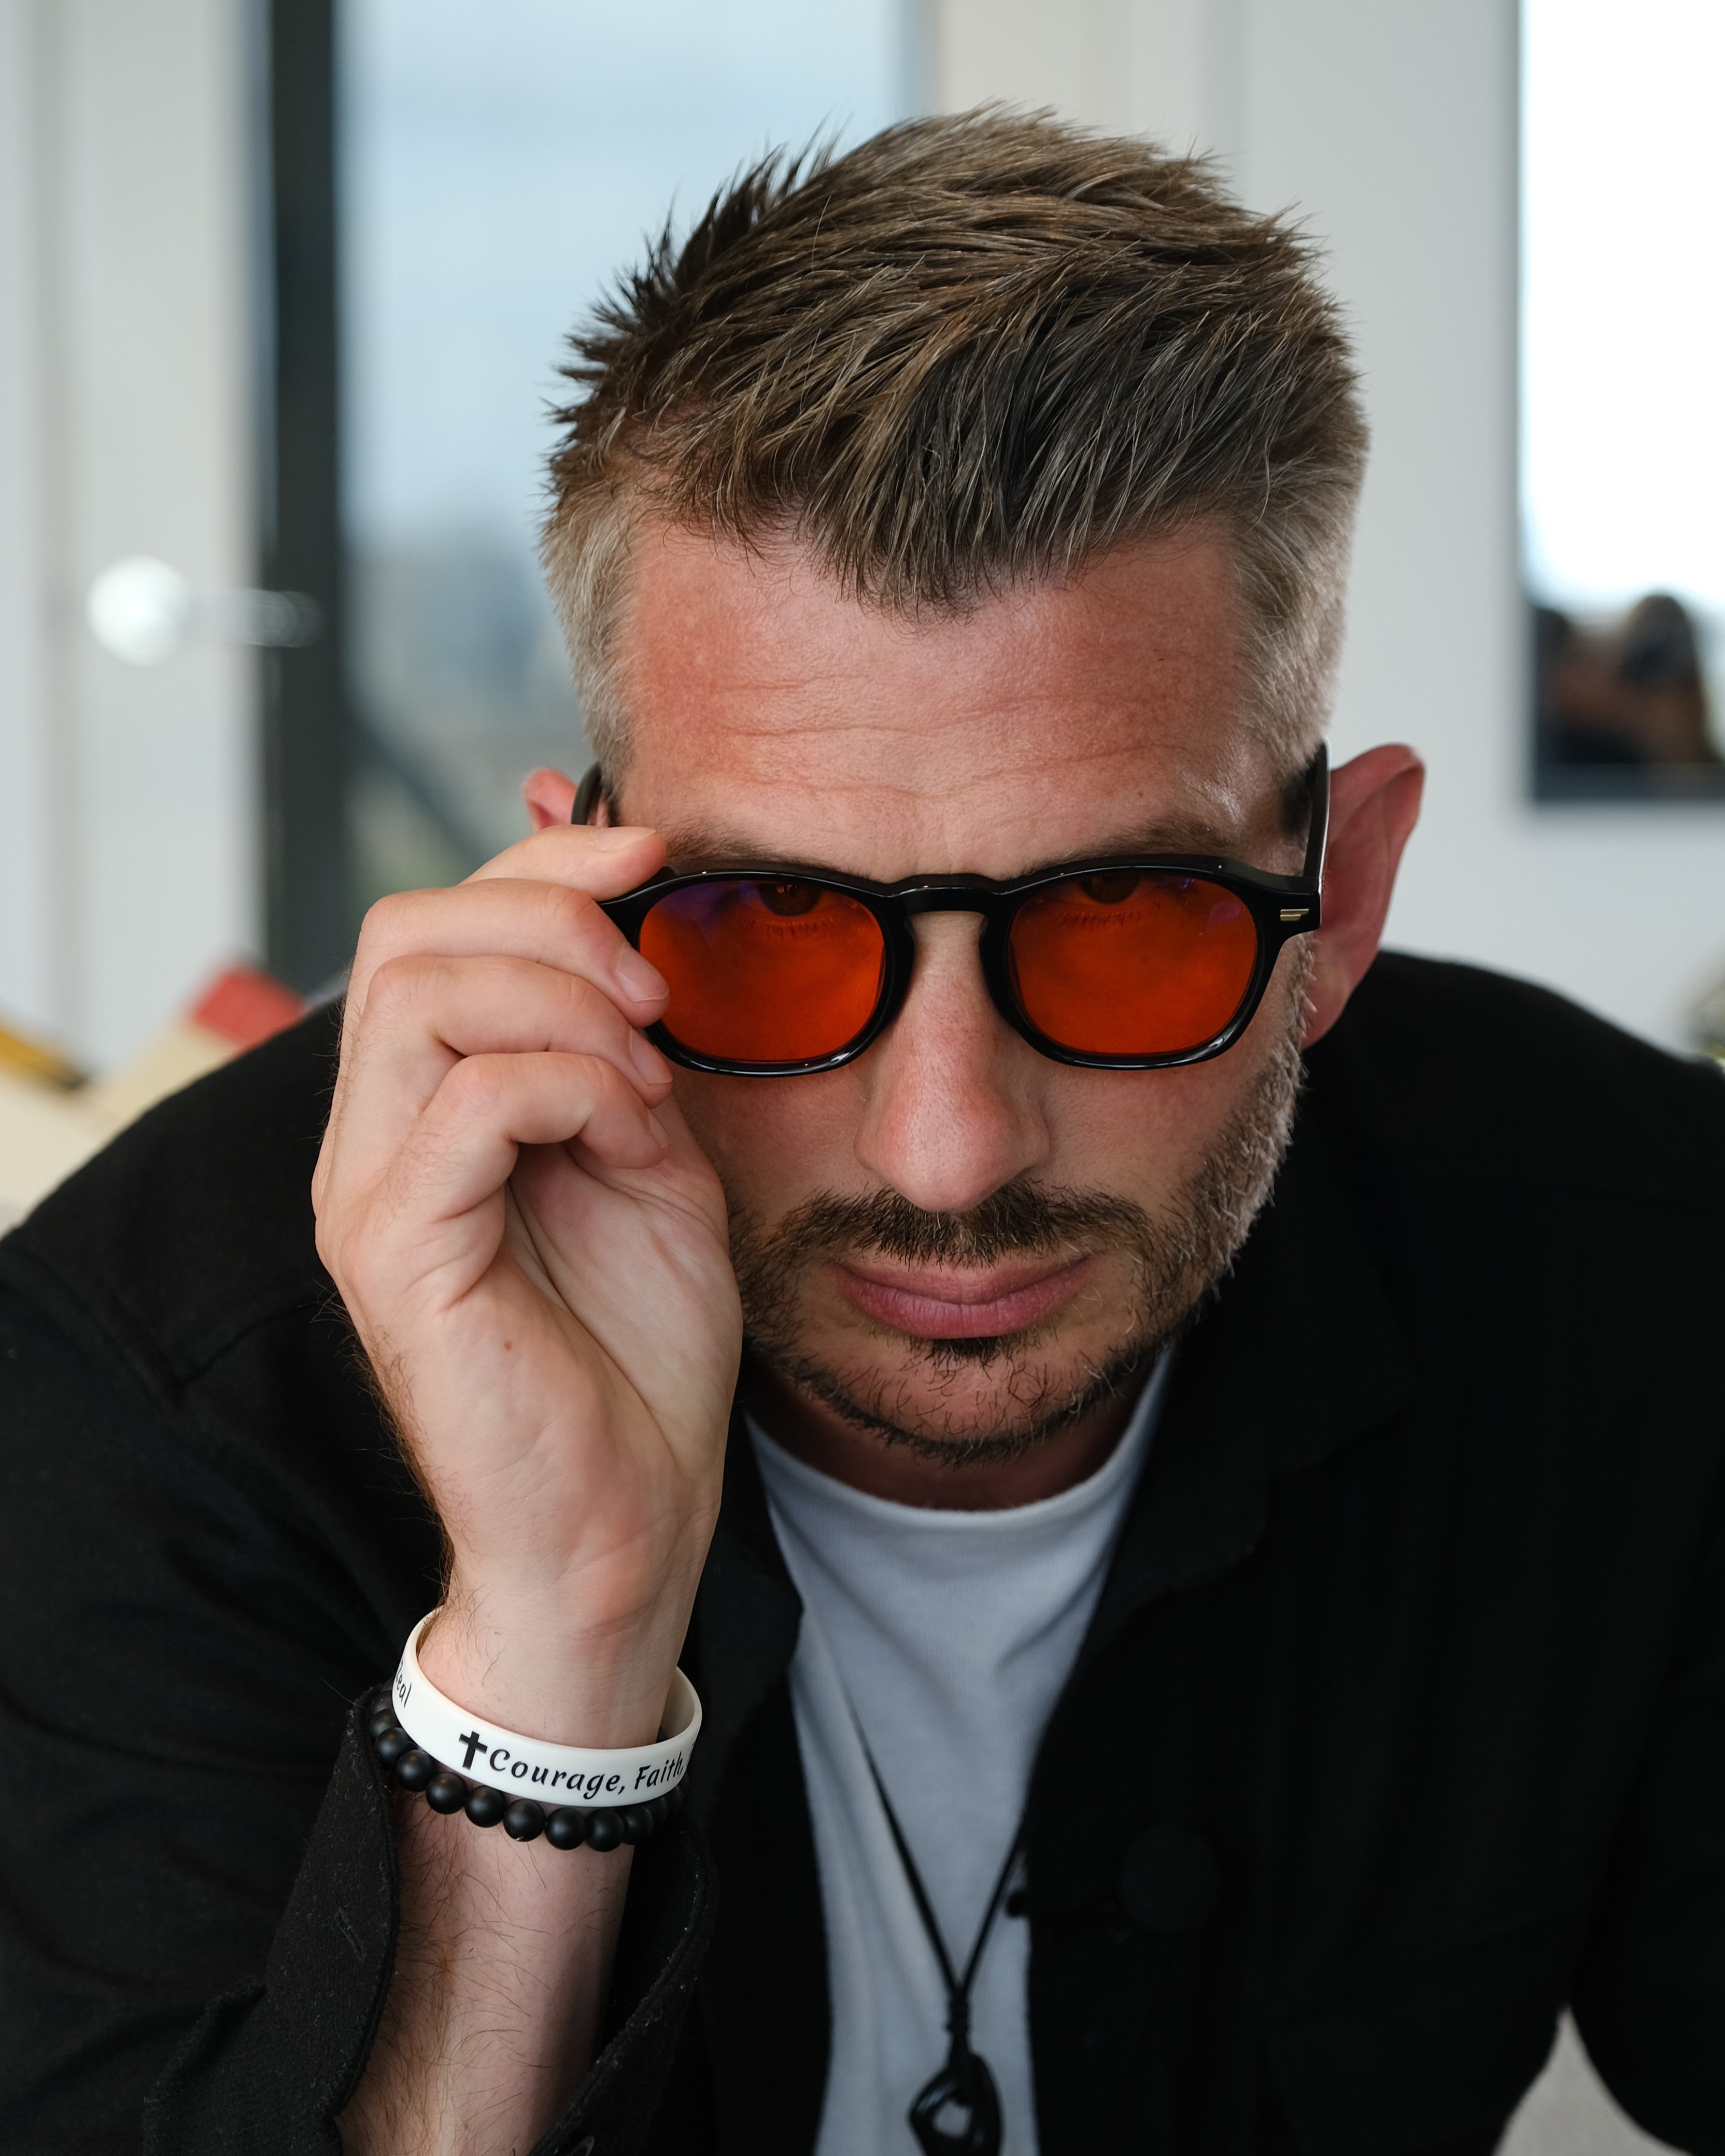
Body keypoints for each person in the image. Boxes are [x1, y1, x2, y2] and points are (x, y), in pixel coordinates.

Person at [2, 111, 1721, 2156]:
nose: (947, 1150)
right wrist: (548, 1655)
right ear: (580, 889)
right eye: (772, 924)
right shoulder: (153, 1384)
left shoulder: (1644, 1270)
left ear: (1337, 900)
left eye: (1120, 914)